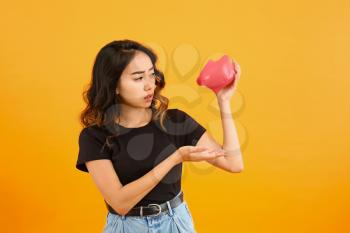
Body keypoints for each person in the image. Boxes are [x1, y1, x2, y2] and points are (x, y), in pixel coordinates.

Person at [76, 39, 241, 233]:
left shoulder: (175, 121)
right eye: (138, 78)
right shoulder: (94, 136)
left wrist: (224, 101)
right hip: (126, 227)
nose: (150, 85)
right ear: (114, 85)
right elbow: (120, 203)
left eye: (151, 74)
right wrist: (175, 158)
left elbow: (233, 163)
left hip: (175, 223)